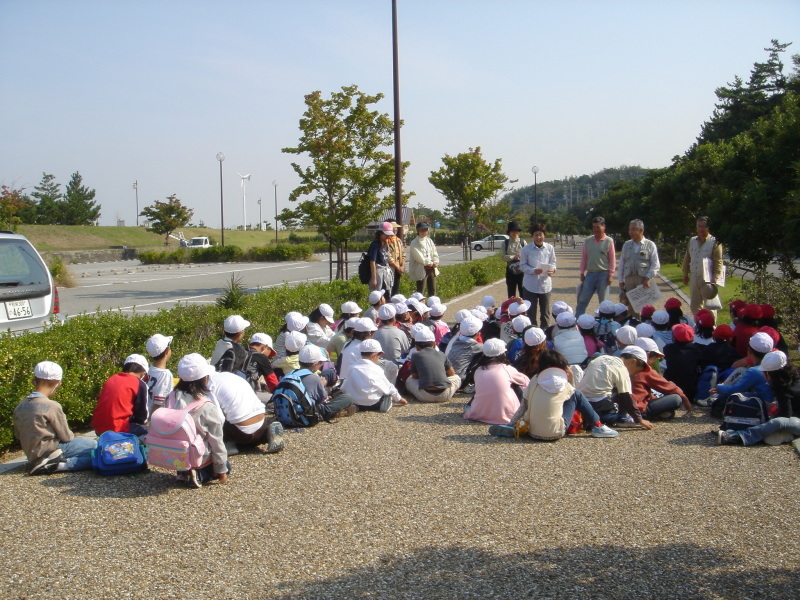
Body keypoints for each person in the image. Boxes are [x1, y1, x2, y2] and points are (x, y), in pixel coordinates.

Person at [490, 350, 619, 440]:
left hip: (532, 431)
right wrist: (571, 377)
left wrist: (511, 423)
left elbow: (524, 405)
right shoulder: (563, 383)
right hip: (556, 432)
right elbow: (573, 397)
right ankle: (598, 426)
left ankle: (512, 427)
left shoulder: (535, 380)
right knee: (577, 394)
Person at [13, 361, 97, 475]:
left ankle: (51, 462)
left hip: (32, 454)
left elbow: (18, 435)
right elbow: (66, 437)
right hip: (51, 450)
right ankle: (58, 465)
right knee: (96, 449)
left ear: (35, 380)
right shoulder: (52, 406)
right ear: (57, 384)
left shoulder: (20, 405)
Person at [167, 354, 229, 487]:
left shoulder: (171, 397)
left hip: (173, 451)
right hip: (195, 453)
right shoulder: (206, 406)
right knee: (226, 464)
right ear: (204, 378)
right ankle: (201, 473)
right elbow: (216, 439)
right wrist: (221, 468)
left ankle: (182, 471)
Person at [717, 351, 800, 446]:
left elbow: (786, 416)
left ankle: (738, 436)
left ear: (770, 374)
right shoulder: (790, 378)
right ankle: (783, 435)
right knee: (772, 431)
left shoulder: (783, 389)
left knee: (779, 422)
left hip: (796, 420)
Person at [209, 370, 285, 454]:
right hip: (261, 424)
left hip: (240, 433)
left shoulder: (209, 385)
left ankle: (228, 444)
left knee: (210, 413)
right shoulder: (231, 376)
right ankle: (265, 434)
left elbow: (216, 417)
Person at [576, 348, 654, 429]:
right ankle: (623, 419)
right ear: (632, 362)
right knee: (622, 391)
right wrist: (639, 419)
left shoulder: (600, 358)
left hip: (581, 401)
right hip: (599, 402)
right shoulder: (621, 368)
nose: (635, 375)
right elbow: (626, 397)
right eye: (637, 371)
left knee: (614, 388)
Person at [463, 338, 529, 425]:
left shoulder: (478, 370)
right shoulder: (507, 369)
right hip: (507, 416)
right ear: (503, 354)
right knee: (515, 385)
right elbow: (526, 382)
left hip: (478, 413)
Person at [629, 343, 692, 420]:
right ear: (647, 355)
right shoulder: (645, 370)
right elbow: (668, 386)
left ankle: (658, 413)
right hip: (639, 409)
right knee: (676, 398)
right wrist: (685, 399)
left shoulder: (624, 366)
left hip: (625, 408)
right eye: (654, 358)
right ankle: (651, 414)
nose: (654, 361)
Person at [92, 354, 150, 437]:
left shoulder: (112, 378)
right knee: (147, 431)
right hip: (118, 429)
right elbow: (142, 416)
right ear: (143, 372)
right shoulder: (139, 384)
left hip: (99, 428)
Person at [342, 339, 407, 411]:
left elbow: (345, 386)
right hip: (374, 403)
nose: (379, 358)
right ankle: (386, 402)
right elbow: (388, 387)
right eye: (379, 355)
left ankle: (356, 408)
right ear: (374, 355)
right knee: (387, 393)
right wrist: (399, 399)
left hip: (356, 402)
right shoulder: (376, 369)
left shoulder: (352, 368)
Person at [295, 345, 356, 420]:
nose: (320, 365)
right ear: (315, 365)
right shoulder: (314, 378)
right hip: (308, 414)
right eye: (320, 363)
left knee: (328, 373)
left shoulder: (290, 375)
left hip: (291, 411)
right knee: (347, 397)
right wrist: (322, 385)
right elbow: (324, 398)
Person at [406, 327, 461, 403]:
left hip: (424, 396)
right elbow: (452, 373)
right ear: (435, 344)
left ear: (416, 346)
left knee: (409, 379)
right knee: (457, 378)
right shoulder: (441, 354)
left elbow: (414, 377)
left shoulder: (415, 355)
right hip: (445, 395)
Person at [682, 216, 724, 313]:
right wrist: (685, 275)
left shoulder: (714, 241)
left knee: (710, 306)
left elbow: (718, 260)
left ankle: (711, 327)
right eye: (699, 226)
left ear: (708, 227)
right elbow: (687, 258)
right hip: (694, 277)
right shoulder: (692, 241)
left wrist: (716, 277)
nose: (701, 229)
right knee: (695, 306)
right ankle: (698, 326)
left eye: (704, 226)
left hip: (708, 279)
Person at [618, 219, 660, 316]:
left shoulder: (650, 245)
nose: (630, 232)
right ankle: (633, 324)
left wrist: (648, 278)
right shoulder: (627, 244)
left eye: (633, 229)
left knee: (644, 306)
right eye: (629, 229)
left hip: (642, 280)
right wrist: (621, 279)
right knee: (631, 307)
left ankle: (645, 326)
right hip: (629, 279)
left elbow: (655, 264)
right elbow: (622, 263)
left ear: (641, 230)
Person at [576, 216, 616, 317]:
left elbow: (612, 259)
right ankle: (577, 320)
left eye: (598, 227)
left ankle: (604, 323)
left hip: (604, 274)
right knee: (582, 300)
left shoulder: (609, 241)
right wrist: (582, 272)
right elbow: (584, 257)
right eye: (594, 227)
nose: (595, 230)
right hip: (590, 274)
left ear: (604, 227)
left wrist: (611, 274)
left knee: (604, 302)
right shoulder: (588, 241)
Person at [519, 223, 557, 328]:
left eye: (541, 234)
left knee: (545, 312)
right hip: (530, 285)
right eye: (536, 235)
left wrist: (552, 270)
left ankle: (545, 333)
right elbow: (522, 265)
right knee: (531, 312)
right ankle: (532, 332)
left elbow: (553, 262)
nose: (538, 237)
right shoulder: (526, 249)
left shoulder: (549, 248)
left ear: (544, 235)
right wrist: (533, 270)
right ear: (532, 236)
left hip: (545, 284)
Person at [663, 324, 703, 402]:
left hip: (671, 389)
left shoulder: (668, 348)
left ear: (674, 337)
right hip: (690, 391)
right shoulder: (697, 349)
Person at [446, 316, 484, 385]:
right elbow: (488, 349)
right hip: (460, 380)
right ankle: (471, 383)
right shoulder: (473, 346)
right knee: (483, 356)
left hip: (449, 376)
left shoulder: (457, 340)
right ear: (478, 334)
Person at [145, 333, 174, 416]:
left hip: (144, 414)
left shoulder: (148, 370)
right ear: (167, 351)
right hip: (154, 419)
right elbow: (158, 404)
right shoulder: (166, 375)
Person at [408, 221, 439, 296]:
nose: (424, 232)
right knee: (421, 291)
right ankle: (420, 306)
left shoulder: (429, 240)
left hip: (431, 268)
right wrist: (431, 263)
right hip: (422, 268)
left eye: (425, 230)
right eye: (422, 230)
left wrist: (436, 261)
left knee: (432, 290)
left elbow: (434, 252)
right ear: (418, 231)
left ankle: (433, 305)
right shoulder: (414, 242)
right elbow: (419, 258)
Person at [367, 221, 396, 294]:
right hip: (378, 271)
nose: (388, 236)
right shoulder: (375, 245)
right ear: (380, 233)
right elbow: (372, 262)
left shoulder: (385, 243)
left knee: (386, 292)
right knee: (378, 293)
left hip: (386, 270)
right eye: (386, 234)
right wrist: (374, 278)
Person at [500, 221, 526, 298]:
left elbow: (528, 255)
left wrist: (522, 256)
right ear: (509, 232)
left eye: (516, 231)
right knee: (511, 294)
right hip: (510, 270)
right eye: (513, 231)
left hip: (522, 271)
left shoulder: (523, 242)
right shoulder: (505, 243)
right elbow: (503, 257)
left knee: (523, 292)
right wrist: (513, 257)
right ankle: (512, 308)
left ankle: (524, 309)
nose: (515, 233)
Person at [387, 221, 406, 297]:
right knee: (389, 287)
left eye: (396, 228)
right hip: (390, 267)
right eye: (393, 227)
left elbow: (403, 254)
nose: (395, 229)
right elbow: (388, 256)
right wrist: (397, 267)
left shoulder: (398, 240)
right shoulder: (387, 240)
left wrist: (402, 266)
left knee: (396, 287)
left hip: (399, 267)